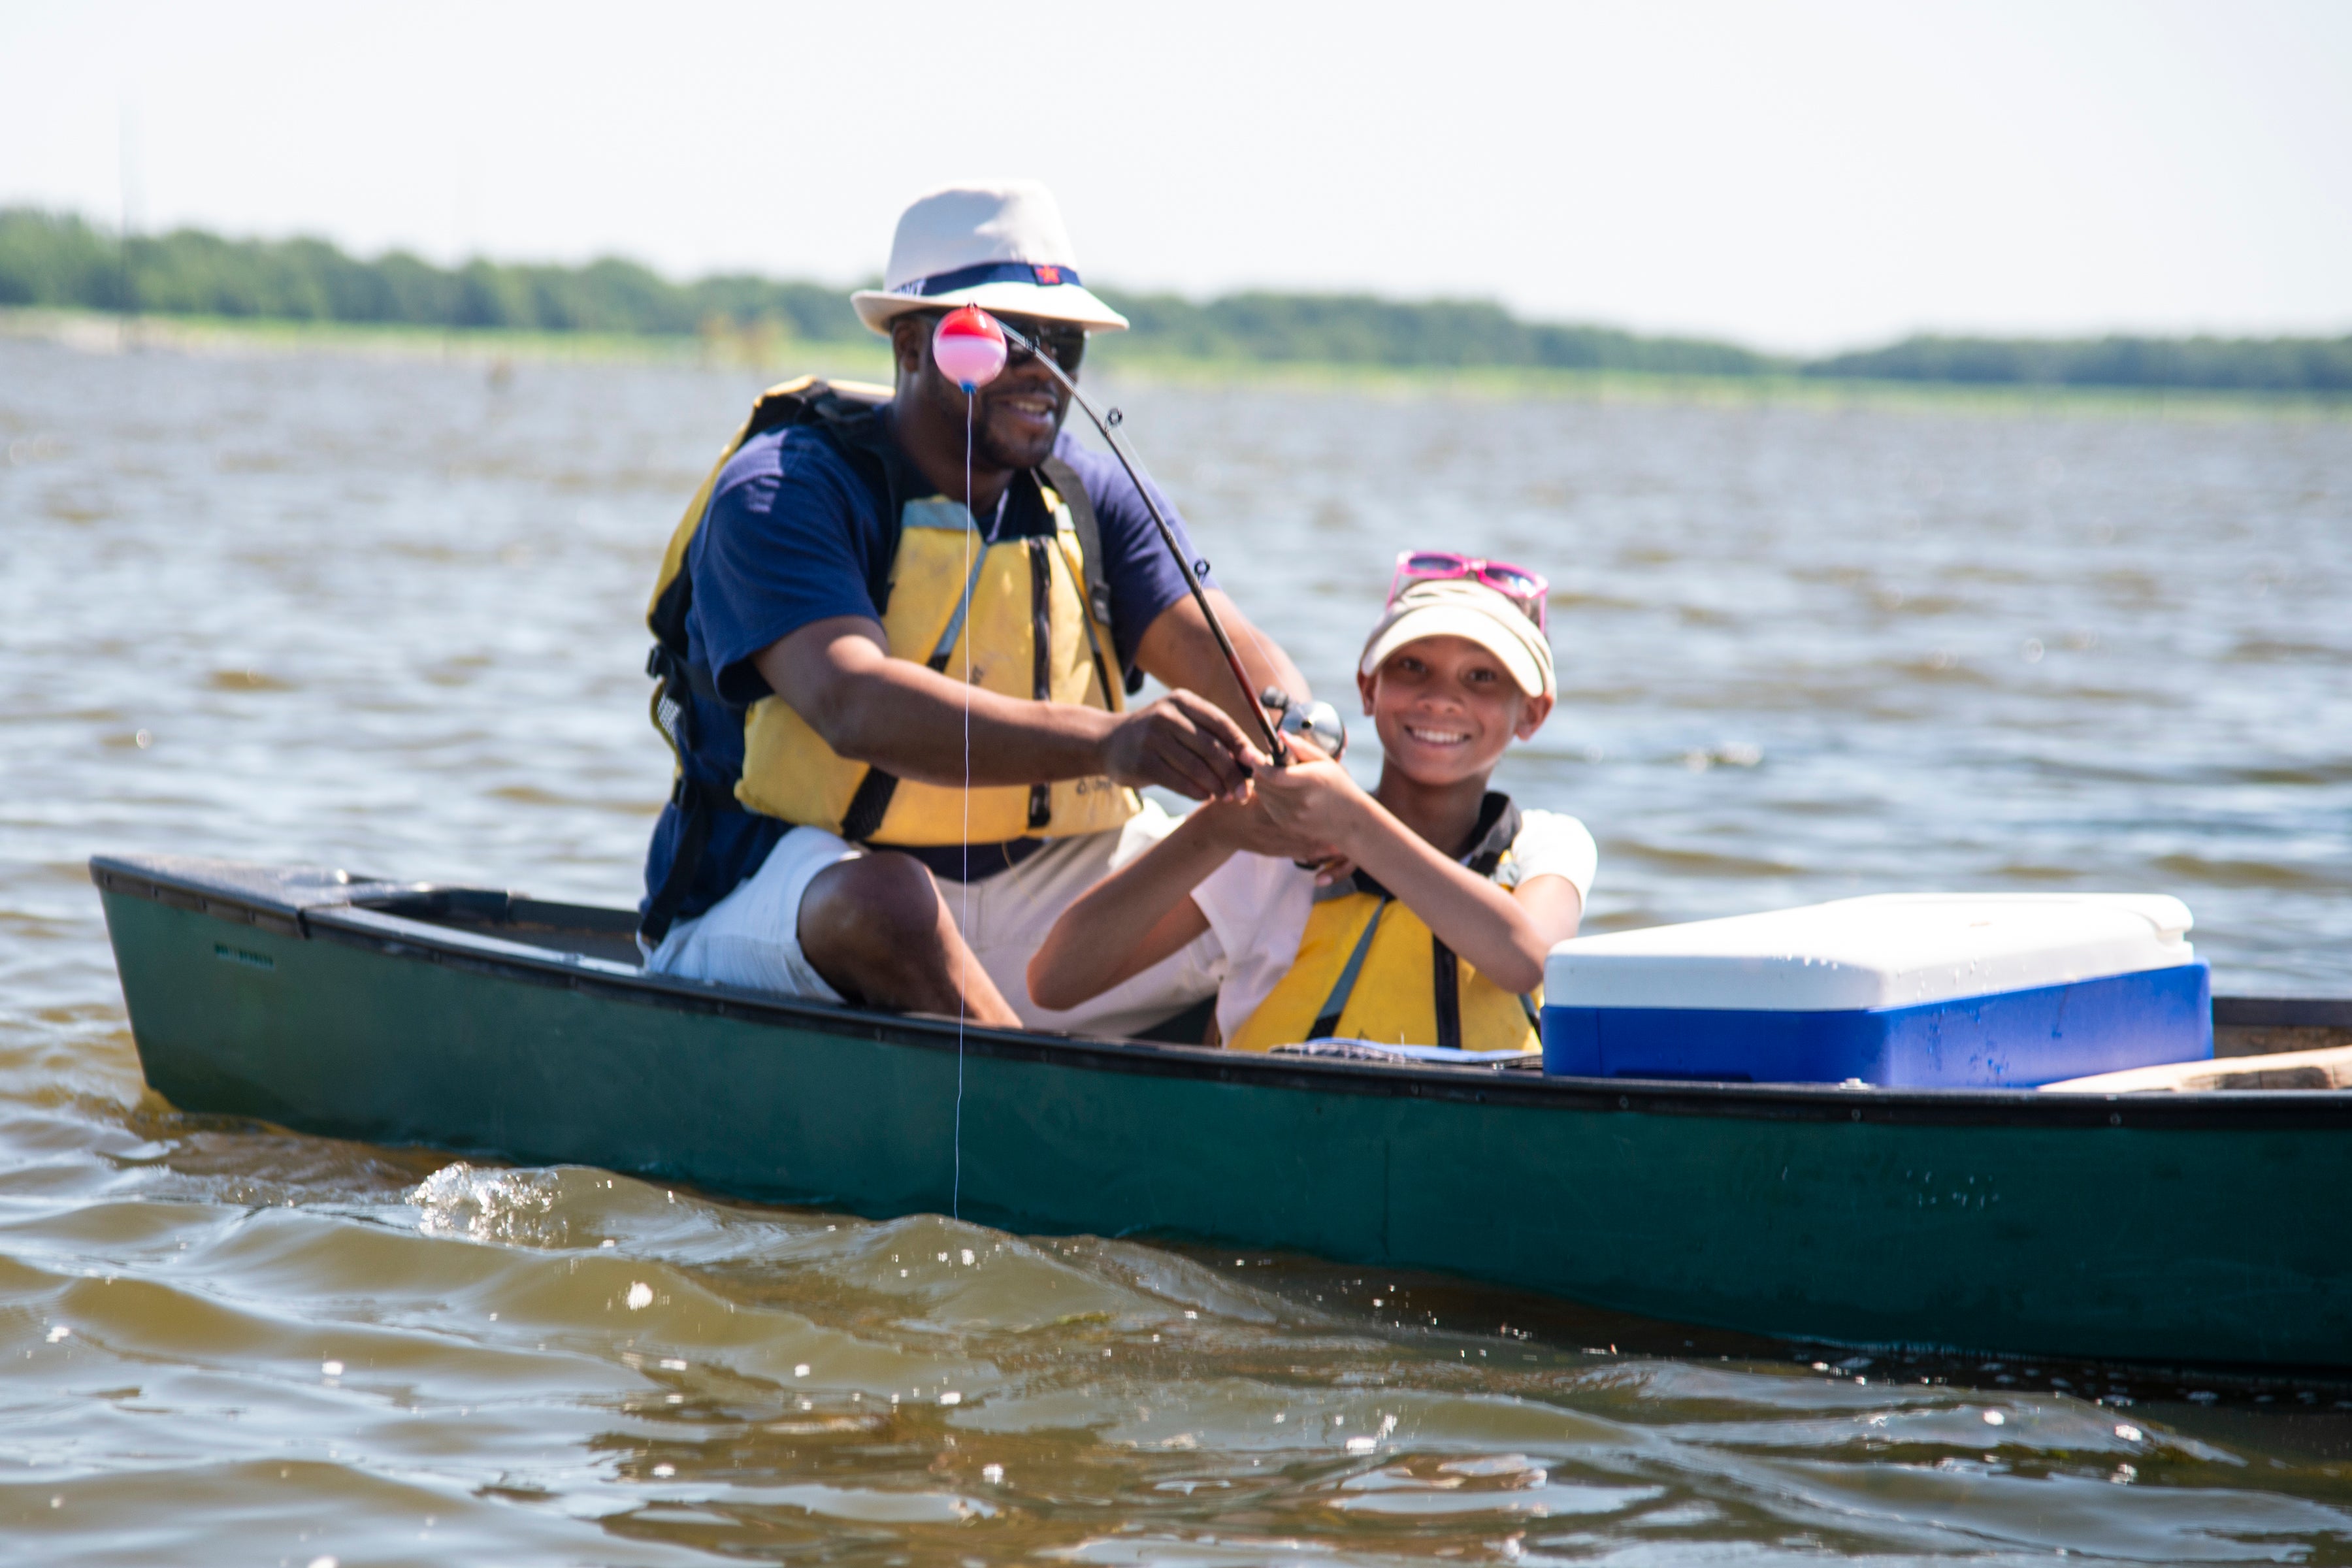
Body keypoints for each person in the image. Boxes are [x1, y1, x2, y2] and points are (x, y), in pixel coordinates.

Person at [637, 182, 1307, 1034]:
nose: (1043, 369)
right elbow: (852, 702)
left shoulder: (1090, 495)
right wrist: (1113, 743)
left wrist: (1297, 733)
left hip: (1035, 913)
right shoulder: (783, 489)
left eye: (1064, 343)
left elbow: (1229, 657)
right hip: (806, 902)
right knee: (892, 901)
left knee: (1298, 849)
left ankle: (1221, 1084)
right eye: (1006, 339)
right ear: (912, 345)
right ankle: (1028, 1097)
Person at [1028, 557, 1593, 1053]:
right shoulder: (1275, 848)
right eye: (1413, 666)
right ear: (1368, 688)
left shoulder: (1548, 844)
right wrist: (1216, 830)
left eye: (1482, 677)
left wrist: (1354, 825)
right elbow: (1055, 981)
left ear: (1533, 713)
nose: (1441, 698)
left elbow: (1527, 958)